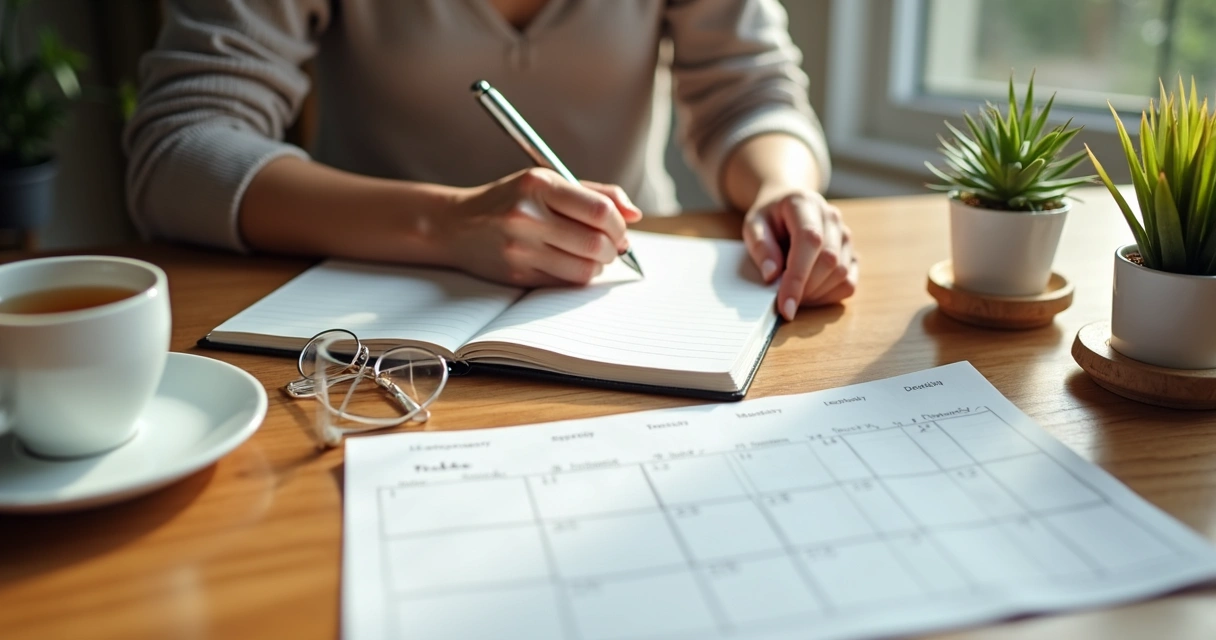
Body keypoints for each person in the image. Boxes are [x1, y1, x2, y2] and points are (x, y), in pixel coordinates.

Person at [124, 0, 857, 320]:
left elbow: (751, 93)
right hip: (368, 312)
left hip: (623, 294)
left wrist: (780, 188)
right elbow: (180, 148)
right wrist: (442, 223)